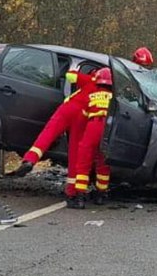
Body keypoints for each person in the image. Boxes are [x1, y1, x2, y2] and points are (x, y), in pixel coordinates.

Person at [9, 68, 96, 197]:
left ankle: (30, 160)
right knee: (74, 153)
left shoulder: (89, 80)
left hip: (69, 108)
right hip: (83, 117)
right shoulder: (107, 92)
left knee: (47, 134)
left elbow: (71, 76)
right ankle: (71, 191)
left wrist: (75, 70)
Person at [71, 67, 113, 209]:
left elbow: (82, 117)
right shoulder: (114, 98)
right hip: (107, 130)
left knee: (83, 162)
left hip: (93, 127)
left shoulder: (92, 95)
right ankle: (101, 195)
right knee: (103, 163)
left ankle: (80, 198)